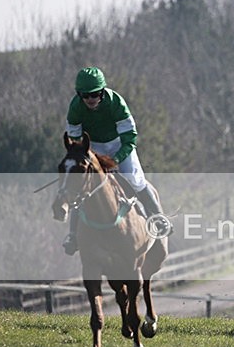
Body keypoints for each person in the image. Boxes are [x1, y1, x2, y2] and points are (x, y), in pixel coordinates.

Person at [62, 66, 169, 255]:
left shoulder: (116, 102)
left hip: (119, 144)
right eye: (85, 95)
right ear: (79, 95)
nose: (90, 99)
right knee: (82, 184)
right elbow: (75, 140)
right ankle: (72, 235)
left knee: (134, 178)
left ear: (102, 91)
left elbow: (130, 137)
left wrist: (116, 159)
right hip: (92, 146)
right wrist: (85, 159)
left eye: (95, 94)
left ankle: (158, 218)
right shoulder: (75, 107)